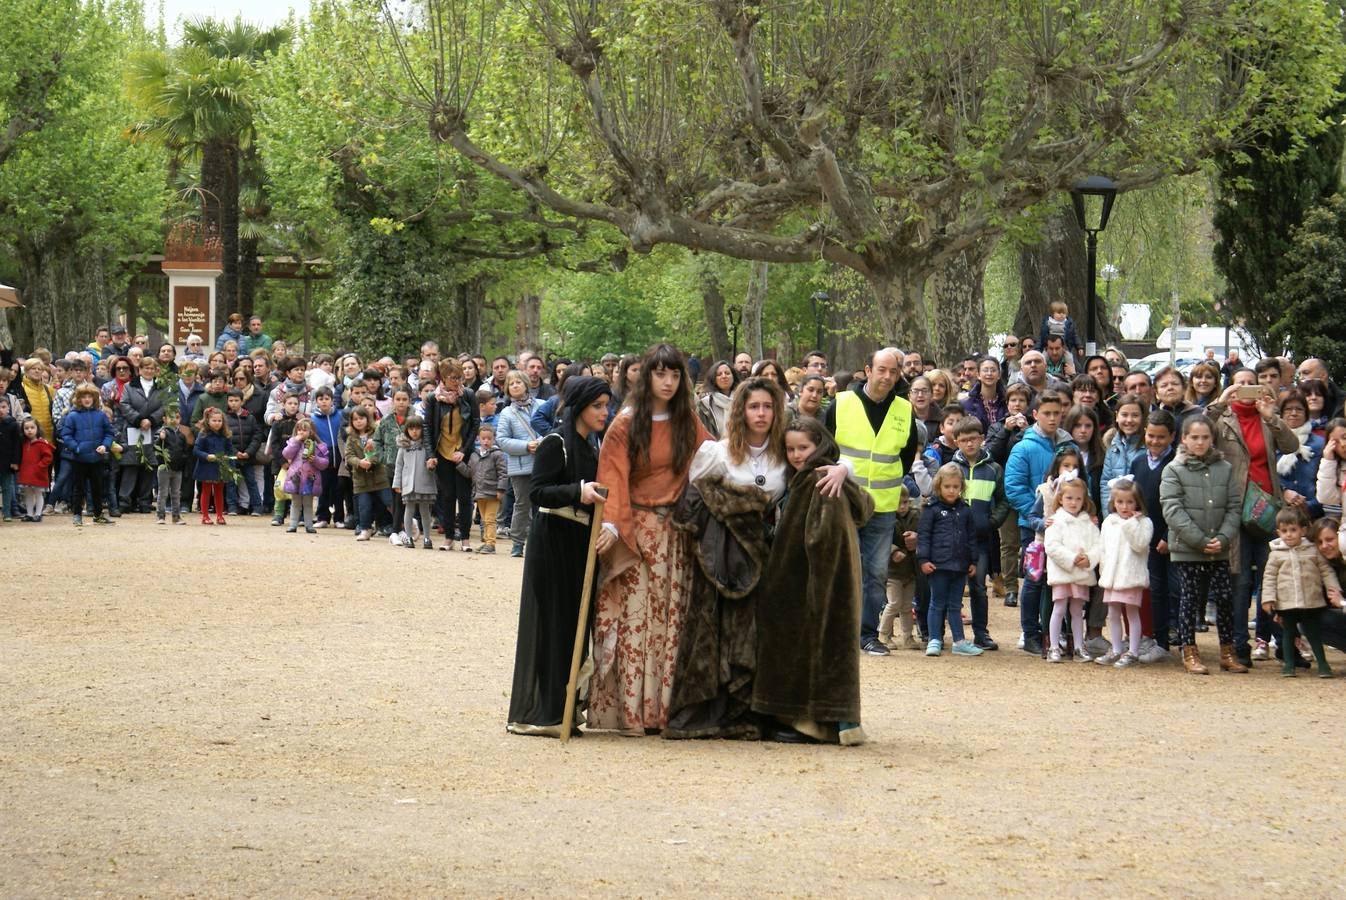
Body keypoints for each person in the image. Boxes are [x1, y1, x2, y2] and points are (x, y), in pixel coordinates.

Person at [589, 344, 711, 735]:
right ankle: (632, 713)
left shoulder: (688, 420)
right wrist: (613, 527)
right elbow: (612, 478)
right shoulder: (625, 423)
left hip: (674, 535)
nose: (668, 382)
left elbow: (711, 459)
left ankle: (663, 710)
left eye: (675, 375)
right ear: (647, 377)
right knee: (635, 622)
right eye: (661, 374)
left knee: (669, 621)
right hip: (635, 532)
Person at [665, 377, 788, 740]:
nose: (761, 413)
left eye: (767, 406)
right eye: (754, 406)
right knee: (719, 630)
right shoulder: (717, 453)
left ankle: (753, 710)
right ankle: (715, 711)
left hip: (765, 555)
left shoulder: (785, 452)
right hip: (722, 559)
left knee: (757, 632)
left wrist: (841, 469)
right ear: (740, 411)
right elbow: (693, 501)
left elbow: (829, 459)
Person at [747, 416, 872, 745]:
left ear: (820, 445)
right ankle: (815, 719)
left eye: (804, 447)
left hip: (813, 581)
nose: (797, 454)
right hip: (808, 580)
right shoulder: (810, 477)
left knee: (815, 647)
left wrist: (816, 585)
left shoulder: (820, 480)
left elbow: (824, 538)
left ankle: (818, 722)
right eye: (790, 448)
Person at [506, 376, 612, 737]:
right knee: (553, 625)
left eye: (606, 405)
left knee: (572, 628)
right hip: (552, 541)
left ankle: (564, 708)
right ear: (580, 406)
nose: (604, 412)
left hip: (580, 541)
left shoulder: (592, 445)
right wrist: (576, 491)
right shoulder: (556, 442)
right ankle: (544, 713)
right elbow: (538, 492)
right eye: (597, 405)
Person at [820, 348, 920, 657]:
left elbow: (905, 457)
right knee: (839, 568)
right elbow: (825, 447)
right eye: (882, 370)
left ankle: (866, 634)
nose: (888, 376)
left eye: (894, 371)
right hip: (844, 501)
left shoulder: (905, 410)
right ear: (868, 370)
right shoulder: (842, 403)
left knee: (876, 572)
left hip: (883, 504)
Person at [1206, 379, 1299, 666]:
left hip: (1268, 509)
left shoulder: (1266, 417)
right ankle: (1238, 645)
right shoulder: (1222, 417)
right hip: (1235, 508)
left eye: (1252, 385)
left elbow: (1291, 445)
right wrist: (1221, 401)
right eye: (1240, 384)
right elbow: (1199, 433)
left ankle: (1280, 643)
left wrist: (1272, 416)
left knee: (1273, 580)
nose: (1246, 390)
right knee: (1241, 580)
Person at [1161, 415, 1244, 675]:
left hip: (1218, 547)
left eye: (1205, 437)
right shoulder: (1173, 469)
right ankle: (1189, 650)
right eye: (1194, 437)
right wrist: (1199, 539)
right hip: (1188, 548)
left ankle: (1227, 651)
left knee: (1225, 598)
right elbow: (1172, 509)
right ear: (1184, 439)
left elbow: (1233, 507)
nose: (1200, 442)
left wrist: (1223, 538)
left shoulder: (1225, 468)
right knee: (1190, 599)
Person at [1005, 389, 1074, 654]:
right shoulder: (1024, 447)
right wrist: (1038, 517)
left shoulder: (1068, 446)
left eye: (1057, 413)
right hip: (1033, 528)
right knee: (1035, 579)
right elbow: (1013, 487)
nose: (1053, 418)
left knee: (1059, 579)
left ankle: (1055, 633)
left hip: (1066, 527)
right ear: (1035, 414)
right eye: (1047, 413)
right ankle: (1030, 632)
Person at [950, 416, 1010, 650]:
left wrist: (992, 521)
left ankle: (981, 633)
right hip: (953, 538)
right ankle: (951, 634)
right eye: (964, 440)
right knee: (953, 586)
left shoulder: (994, 469)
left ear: (982, 439)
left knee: (978, 587)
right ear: (956, 442)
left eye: (974, 439)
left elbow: (1004, 500)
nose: (969, 444)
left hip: (981, 539)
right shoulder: (951, 469)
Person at [1261, 508, 1341, 678]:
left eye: (1293, 530)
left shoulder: (1312, 550)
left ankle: (1323, 665)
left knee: (1313, 633)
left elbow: (1326, 571)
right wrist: (1268, 599)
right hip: (1286, 602)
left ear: (1303, 531)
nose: (1289, 535)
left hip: (1312, 602)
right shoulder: (1275, 554)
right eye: (1284, 531)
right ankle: (1289, 665)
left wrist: (1335, 590)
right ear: (1278, 532)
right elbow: (1269, 578)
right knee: (1288, 634)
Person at [918, 462, 983, 657]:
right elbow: (924, 535)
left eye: (956, 487)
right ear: (939, 486)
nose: (952, 490)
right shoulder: (931, 509)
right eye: (947, 486)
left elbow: (972, 536)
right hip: (937, 565)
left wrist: (973, 561)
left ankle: (959, 641)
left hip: (960, 565)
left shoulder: (965, 510)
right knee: (936, 603)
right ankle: (934, 639)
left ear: (961, 487)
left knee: (955, 605)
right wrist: (923, 559)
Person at [1131, 409, 1178, 652]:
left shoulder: (1177, 463)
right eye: (1150, 436)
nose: (1155, 441)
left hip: (1171, 535)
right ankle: (1157, 640)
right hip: (1145, 536)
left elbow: (1182, 503)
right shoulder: (1138, 461)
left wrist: (1168, 535)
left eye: (1161, 437)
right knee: (1154, 588)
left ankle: (1174, 635)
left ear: (1172, 436)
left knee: (1175, 589)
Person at [1094, 476, 1154, 667]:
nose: (1124, 506)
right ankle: (1117, 649)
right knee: (1112, 613)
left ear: (1137, 502)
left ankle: (1133, 651)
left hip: (1131, 577)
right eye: (1120, 501)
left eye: (1129, 502)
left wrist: (1131, 524)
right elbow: (1103, 548)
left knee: (1132, 613)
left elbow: (1140, 544)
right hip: (1111, 577)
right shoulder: (1109, 522)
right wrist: (1103, 570)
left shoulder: (1144, 523)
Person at [1044, 473, 1102, 662]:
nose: (1074, 502)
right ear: (1060, 498)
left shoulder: (1088, 523)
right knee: (1059, 608)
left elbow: (1098, 545)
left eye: (1078, 498)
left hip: (1081, 574)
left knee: (1078, 611)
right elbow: (1052, 546)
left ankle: (1078, 647)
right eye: (1069, 498)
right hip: (1063, 573)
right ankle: (1053, 646)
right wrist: (1071, 559)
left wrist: (1089, 559)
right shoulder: (1056, 521)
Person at [496, 370, 543, 558]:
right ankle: (517, 542)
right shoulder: (507, 413)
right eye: (511, 383)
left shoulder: (542, 405)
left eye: (518, 382)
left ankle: (540, 541)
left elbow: (552, 427)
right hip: (520, 466)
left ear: (526, 384)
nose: (515, 385)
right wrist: (526, 446)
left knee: (542, 505)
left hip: (543, 463)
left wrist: (542, 442)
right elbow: (502, 439)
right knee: (522, 504)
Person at [60, 384, 114, 526]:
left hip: (97, 458)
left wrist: (105, 445)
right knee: (79, 489)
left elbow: (109, 432)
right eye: (84, 397)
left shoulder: (101, 415)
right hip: (79, 459)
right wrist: (76, 448)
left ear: (95, 398)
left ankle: (98, 514)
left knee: (97, 488)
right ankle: (77, 514)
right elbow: (66, 435)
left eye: (90, 396)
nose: (87, 399)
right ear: (78, 399)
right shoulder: (72, 416)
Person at [878, 492, 922, 651]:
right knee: (894, 603)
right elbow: (881, 539)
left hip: (910, 570)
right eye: (898, 503)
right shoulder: (886, 518)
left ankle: (908, 636)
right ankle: (883, 634)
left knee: (906, 606)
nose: (902, 506)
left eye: (905, 502)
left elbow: (924, 533)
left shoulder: (916, 515)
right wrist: (893, 551)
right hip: (892, 572)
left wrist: (917, 540)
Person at [457, 424, 508, 553]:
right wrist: (459, 464)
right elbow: (469, 473)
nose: (486, 441)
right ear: (478, 439)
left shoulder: (497, 454)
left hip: (492, 493)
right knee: (484, 520)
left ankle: (491, 544)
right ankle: (486, 542)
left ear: (494, 439)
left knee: (490, 519)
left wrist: (501, 489)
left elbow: (503, 473)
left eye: (489, 438)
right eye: (483, 438)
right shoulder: (474, 455)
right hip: (479, 493)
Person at [345, 405, 392, 542]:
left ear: (368, 419)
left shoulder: (376, 433)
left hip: (379, 477)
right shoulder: (351, 438)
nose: (358, 421)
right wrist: (359, 462)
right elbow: (349, 456)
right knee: (364, 506)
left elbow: (382, 449)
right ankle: (365, 529)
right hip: (361, 480)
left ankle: (402, 524)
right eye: (355, 419)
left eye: (361, 418)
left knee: (389, 502)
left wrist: (372, 461)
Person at [1277, 390, 1323, 520]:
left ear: (1306, 413)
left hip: (1314, 516)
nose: (1293, 413)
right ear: (1280, 414)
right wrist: (1283, 492)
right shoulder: (1271, 442)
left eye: (1299, 409)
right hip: (1279, 517)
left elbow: (1326, 480)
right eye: (1288, 409)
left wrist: (1309, 505)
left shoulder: (1319, 444)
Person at [392, 416, 437, 549]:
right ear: (407, 430)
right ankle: (409, 537)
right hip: (408, 484)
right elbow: (398, 466)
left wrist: (432, 465)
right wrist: (397, 483)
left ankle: (427, 538)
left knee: (425, 511)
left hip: (425, 481)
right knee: (409, 510)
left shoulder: (427, 447)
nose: (415, 432)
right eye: (411, 429)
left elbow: (433, 463)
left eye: (418, 428)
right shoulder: (403, 447)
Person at [282, 418, 329, 533]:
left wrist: (315, 460)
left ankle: (309, 525)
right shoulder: (293, 443)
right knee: (295, 502)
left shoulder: (319, 446)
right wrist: (295, 441)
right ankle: (293, 524)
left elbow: (325, 463)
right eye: (299, 430)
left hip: (310, 478)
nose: (301, 432)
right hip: (296, 478)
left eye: (304, 430)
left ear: (311, 431)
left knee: (308, 503)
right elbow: (286, 454)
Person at [194, 406, 232, 526]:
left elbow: (230, 450)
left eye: (219, 421)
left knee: (219, 491)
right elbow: (196, 450)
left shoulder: (225, 435)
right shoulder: (203, 434)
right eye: (214, 421)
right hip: (206, 467)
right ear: (208, 421)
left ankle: (220, 515)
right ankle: (205, 516)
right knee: (206, 491)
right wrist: (206, 456)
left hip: (220, 467)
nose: (217, 423)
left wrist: (228, 458)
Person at [155, 408, 193, 524]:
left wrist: (183, 463)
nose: (174, 420)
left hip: (178, 469)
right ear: (164, 419)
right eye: (171, 417)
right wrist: (159, 439)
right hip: (165, 467)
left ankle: (176, 516)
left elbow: (185, 451)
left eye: (177, 417)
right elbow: (155, 447)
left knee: (176, 493)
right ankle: (160, 516)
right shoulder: (162, 432)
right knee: (163, 492)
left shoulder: (182, 435)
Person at [16, 417, 53, 522]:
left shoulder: (42, 444)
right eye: (26, 428)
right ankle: (29, 513)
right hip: (26, 474)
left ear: (37, 429)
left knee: (38, 493)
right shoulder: (23, 443)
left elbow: (48, 457)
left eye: (32, 427)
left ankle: (38, 513)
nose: (29, 430)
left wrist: (39, 466)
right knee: (28, 494)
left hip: (38, 474)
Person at [961, 357, 1006, 430]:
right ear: (978, 375)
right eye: (985, 370)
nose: (989, 373)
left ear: (999, 375)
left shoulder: (1007, 401)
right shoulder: (966, 404)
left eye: (993, 370)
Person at [696, 361, 735, 439]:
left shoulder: (744, 400)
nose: (724, 376)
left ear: (733, 376)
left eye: (727, 373)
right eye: (719, 374)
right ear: (713, 379)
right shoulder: (705, 405)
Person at [1317, 417, 1346, 518]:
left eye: (1345, 437)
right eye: (1335, 442)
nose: (1343, 444)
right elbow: (1326, 498)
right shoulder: (1338, 469)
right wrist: (1328, 461)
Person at [0, 399, 18, 520]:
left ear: (8, 409)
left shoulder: (13, 424)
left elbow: (17, 445)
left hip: (7, 463)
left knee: (7, 487)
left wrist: (15, 461)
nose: (0, 410)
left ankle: (7, 513)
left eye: (3, 407)